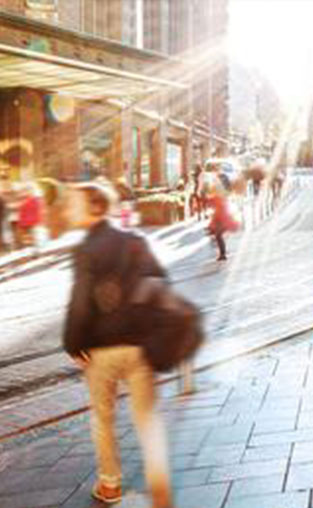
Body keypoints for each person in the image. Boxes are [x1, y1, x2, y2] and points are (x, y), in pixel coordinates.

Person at [63, 182, 172, 507]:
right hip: (139, 347)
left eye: (74, 204)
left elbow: (80, 302)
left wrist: (73, 343)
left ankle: (110, 485)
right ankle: (160, 485)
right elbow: (159, 282)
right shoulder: (134, 240)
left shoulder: (87, 249)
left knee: (103, 417)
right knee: (147, 417)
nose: (68, 210)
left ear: (94, 208)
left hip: (103, 350)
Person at [208, 185, 238, 262]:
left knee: (218, 235)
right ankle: (222, 253)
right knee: (218, 235)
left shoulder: (218, 198)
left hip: (223, 220)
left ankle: (222, 254)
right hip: (222, 219)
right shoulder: (219, 198)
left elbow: (215, 206)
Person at [18, 182, 44, 253]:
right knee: (32, 238)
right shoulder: (34, 200)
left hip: (31, 223)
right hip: (31, 222)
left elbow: (24, 212)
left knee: (33, 237)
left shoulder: (31, 200)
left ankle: (36, 251)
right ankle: (35, 250)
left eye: (26, 190)